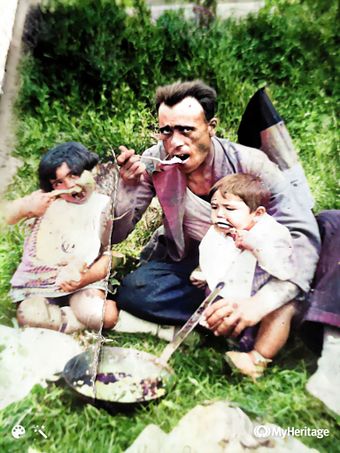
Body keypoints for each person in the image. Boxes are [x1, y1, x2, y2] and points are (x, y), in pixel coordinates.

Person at [112, 80, 320, 345]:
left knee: (325, 234)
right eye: (166, 132)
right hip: (201, 265)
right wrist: (127, 189)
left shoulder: (250, 164)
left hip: (258, 263)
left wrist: (260, 302)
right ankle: (239, 321)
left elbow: (299, 232)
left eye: (186, 130)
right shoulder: (155, 161)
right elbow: (117, 235)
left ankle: (252, 316)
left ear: (211, 127)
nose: (174, 142)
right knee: (135, 289)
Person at [190, 173, 296, 378]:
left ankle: (259, 357)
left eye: (229, 208)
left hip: (260, 301)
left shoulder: (272, 233)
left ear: (257, 213)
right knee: (212, 303)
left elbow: (285, 270)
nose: (219, 214)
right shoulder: (220, 230)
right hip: (230, 292)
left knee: (282, 311)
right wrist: (204, 273)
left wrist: (256, 246)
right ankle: (221, 341)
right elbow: (211, 253)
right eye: (214, 207)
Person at [5, 141, 118, 333]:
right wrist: (26, 207)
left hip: (84, 278)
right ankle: (68, 321)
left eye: (74, 175)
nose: (69, 185)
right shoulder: (47, 201)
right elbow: (7, 215)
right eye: (58, 182)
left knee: (100, 315)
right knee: (31, 316)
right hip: (40, 281)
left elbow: (108, 256)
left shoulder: (103, 205)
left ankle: (65, 320)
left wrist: (86, 278)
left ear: (93, 171)